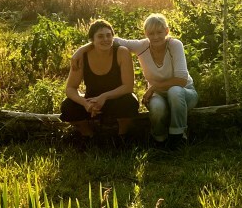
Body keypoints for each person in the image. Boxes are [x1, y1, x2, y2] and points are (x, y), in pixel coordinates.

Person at [74, 13, 197, 143]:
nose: (155, 37)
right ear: (145, 33)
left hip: (184, 93)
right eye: (151, 33)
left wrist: (153, 87)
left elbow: (181, 80)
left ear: (166, 31)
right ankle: (159, 138)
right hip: (158, 95)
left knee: (175, 91)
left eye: (160, 32)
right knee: (157, 109)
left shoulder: (175, 45)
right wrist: (80, 51)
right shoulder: (141, 46)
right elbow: (109, 41)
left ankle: (178, 136)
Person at [60, 19, 139, 139]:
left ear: (113, 37)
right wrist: (85, 103)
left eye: (108, 35)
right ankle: (87, 135)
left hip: (115, 98)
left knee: (130, 102)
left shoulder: (122, 52)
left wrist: (104, 97)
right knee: (67, 106)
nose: (106, 39)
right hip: (91, 101)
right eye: (100, 36)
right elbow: (70, 88)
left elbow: (128, 87)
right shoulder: (82, 56)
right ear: (92, 40)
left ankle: (123, 136)